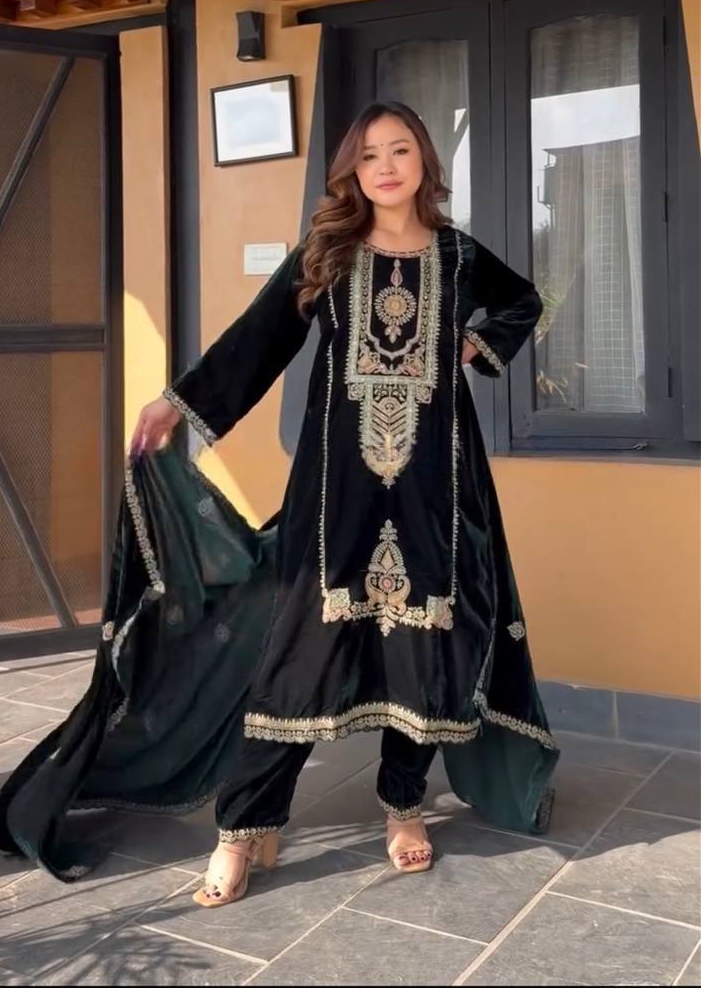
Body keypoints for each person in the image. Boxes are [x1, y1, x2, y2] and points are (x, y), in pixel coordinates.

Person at [129, 100, 558, 909]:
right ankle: (245, 825)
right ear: (352, 173)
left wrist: (477, 343)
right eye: (369, 156)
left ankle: (402, 807)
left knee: (419, 647)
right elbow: (255, 343)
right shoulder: (327, 254)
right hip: (336, 492)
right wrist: (175, 404)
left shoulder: (459, 258)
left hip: (436, 487)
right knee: (299, 653)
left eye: (401, 151)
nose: (386, 166)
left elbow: (522, 302)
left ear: (425, 163)